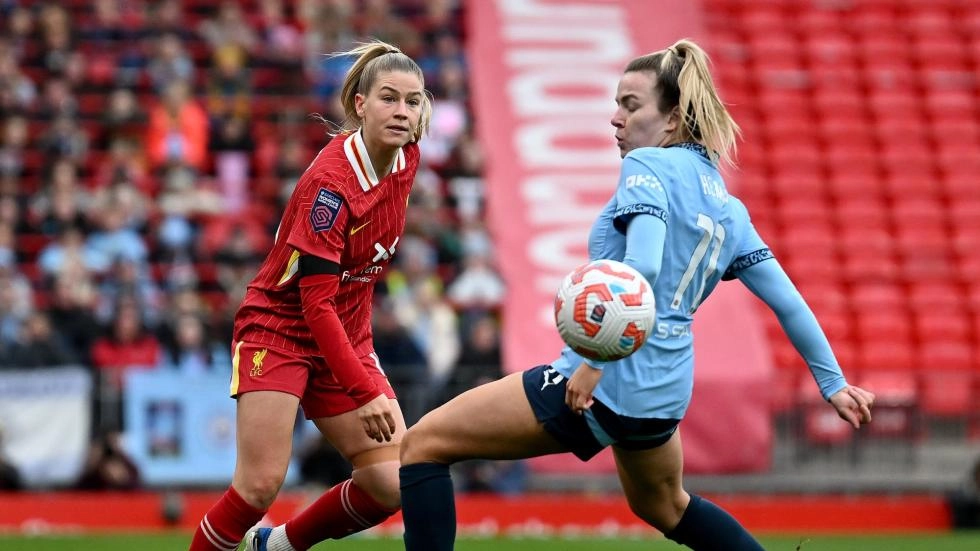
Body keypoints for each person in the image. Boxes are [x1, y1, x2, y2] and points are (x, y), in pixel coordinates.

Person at [398, 38, 876, 551]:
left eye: (630, 105)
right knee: (664, 506)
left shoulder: (647, 166)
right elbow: (789, 303)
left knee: (424, 445)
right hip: (665, 391)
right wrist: (834, 384)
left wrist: (592, 363)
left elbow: (642, 266)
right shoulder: (729, 209)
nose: (615, 119)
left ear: (671, 121)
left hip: (608, 378)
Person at [187, 39, 431, 551]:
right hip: (280, 329)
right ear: (360, 105)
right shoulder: (331, 187)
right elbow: (313, 304)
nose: (402, 111)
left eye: (413, 100)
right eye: (389, 98)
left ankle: (272, 547)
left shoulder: (407, 156)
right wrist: (364, 393)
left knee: (393, 483)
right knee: (258, 486)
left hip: (347, 333)